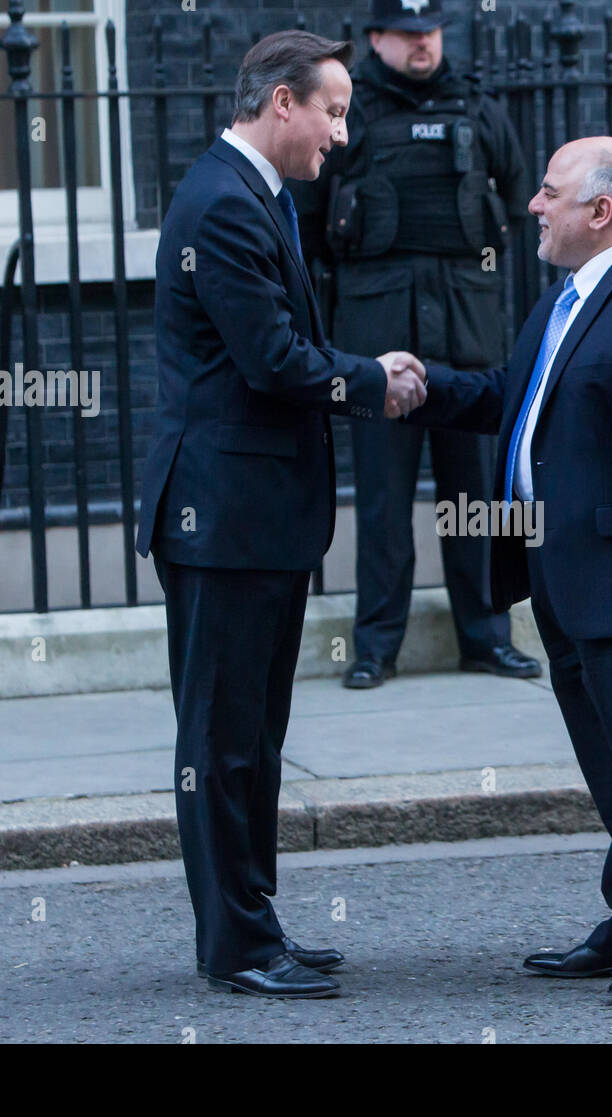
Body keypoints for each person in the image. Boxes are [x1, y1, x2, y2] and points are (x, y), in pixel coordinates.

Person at [408, 137, 612, 1001]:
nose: (533, 205)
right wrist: (419, 386)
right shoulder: (567, 301)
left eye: (549, 192)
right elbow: (509, 399)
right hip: (568, 579)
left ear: (600, 211)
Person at [135, 30, 427, 999]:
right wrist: (369, 379)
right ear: (280, 106)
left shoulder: (253, 196)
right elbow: (270, 359)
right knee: (219, 741)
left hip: (256, 516)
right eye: (334, 111)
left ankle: (255, 923)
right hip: (219, 518)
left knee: (253, 738)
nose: (341, 134)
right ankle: (236, 944)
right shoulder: (223, 204)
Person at [292, 0, 541, 689]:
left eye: (429, 31)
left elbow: (519, 203)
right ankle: (375, 646)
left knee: (473, 497)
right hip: (378, 337)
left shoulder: (478, 107)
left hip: (465, 334)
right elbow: (311, 220)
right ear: (377, 39)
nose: (422, 44)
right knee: (383, 499)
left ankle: (487, 637)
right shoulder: (352, 113)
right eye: (407, 34)